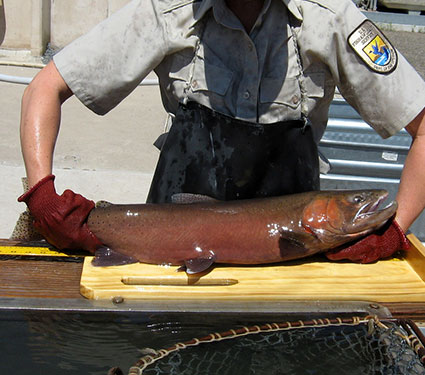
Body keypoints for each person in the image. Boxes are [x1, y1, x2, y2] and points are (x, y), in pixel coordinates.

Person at [18, 0, 425, 263]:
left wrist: (396, 229)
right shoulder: (166, 12)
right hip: (169, 249)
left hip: (294, 254)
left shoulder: (332, 18)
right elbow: (44, 88)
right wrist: (42, 196)